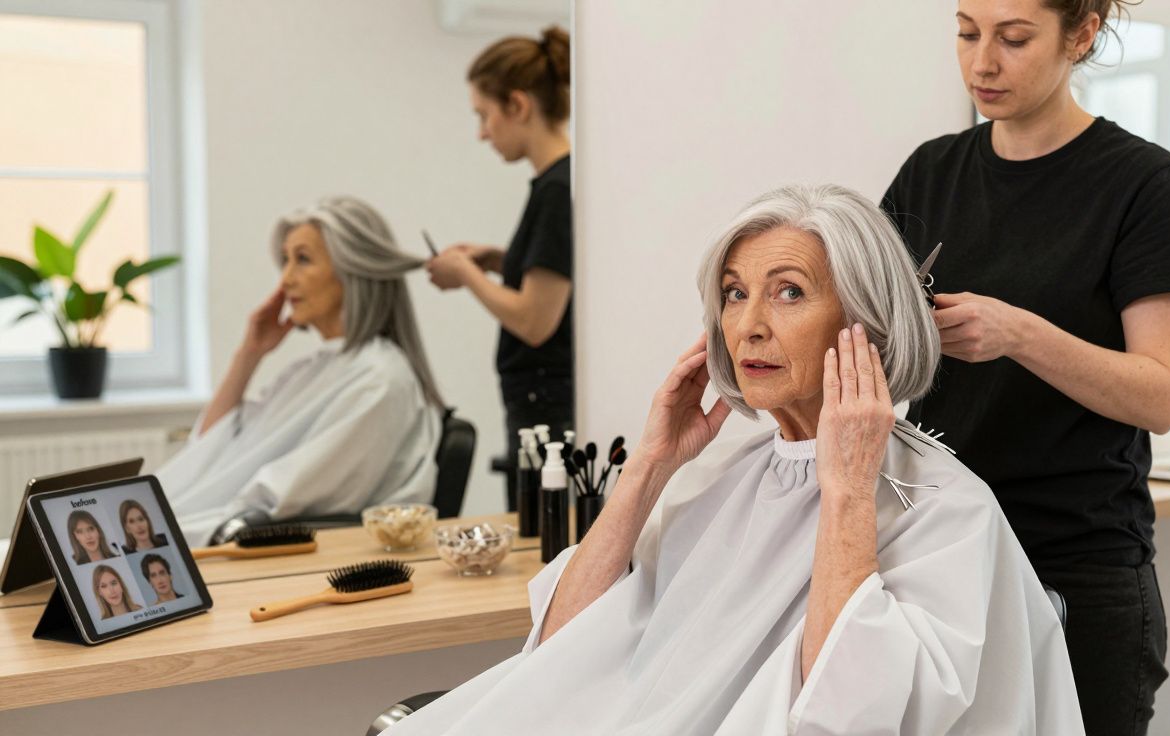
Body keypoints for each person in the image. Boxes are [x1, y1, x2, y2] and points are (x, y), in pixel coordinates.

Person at [386, 185, 1083, 735]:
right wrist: (650, 467)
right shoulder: (721, 477)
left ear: (865, 323)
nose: (748, 323)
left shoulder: (944, 508)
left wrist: (844, 492)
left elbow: (851, 717)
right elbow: (559, 650)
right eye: (733, 292)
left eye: (788, 291)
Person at [880, 2, 1170, 733]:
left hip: (1076, 569)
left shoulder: (1143, 185)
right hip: (944, 552)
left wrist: (1021, 334)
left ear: (1083, 33)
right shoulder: (930, 173)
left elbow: (1160, 394)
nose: (982, 63)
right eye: (967, 33)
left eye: (1014, 38)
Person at [155, 196, 442, 546]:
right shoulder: (312, 369)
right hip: (212, 524)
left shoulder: (379, 379)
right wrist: (249, 354)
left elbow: (281, 498)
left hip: (245, 544)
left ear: (353, 270)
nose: (286, 280)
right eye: (285, 261)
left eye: (303, 260)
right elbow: (212, 449)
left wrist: (168, 537)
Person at [426, 26, 573, 511]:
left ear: (518, 105)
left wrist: (467, 276)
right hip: (539, 406)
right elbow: (555, 277)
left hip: (546, 411)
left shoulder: (557, 190)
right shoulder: (556, 184)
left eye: (484, 116)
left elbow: (535, 320)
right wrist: (498, 262)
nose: (482, 133)